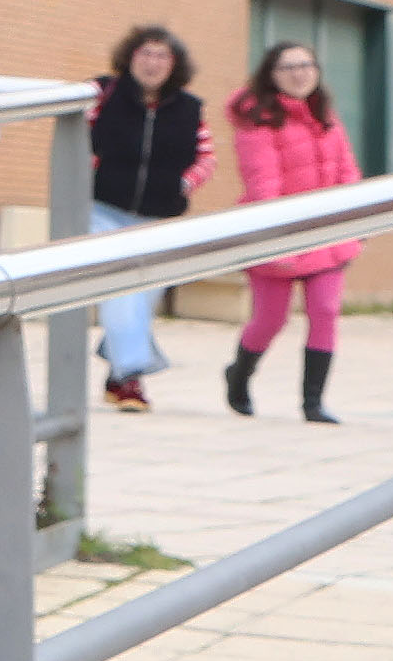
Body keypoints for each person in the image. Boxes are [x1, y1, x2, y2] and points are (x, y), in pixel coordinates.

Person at [216, 42, 361, 423]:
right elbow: (263, 181)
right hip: (276, 234)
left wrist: (358, 219)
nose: (300, 73)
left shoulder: (325, 116)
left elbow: (347, 171)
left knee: (326, 311)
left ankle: (313, 402)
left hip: (326, 235)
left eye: (307, 65)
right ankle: (239, 374)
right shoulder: (257, 120)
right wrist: (275, 237)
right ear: (271, 74)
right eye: (288, 67)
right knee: (269, 320)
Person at [81, 26, 203, 411]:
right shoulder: (104, 93)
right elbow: (75, 134)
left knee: (140, 300)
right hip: (103, 209)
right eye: (145, 54)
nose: (152, 63)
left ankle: (118, 376)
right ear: (129, 58)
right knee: (122, 288)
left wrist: (184, 183)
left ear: (174, 65)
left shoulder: (189, 108)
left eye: (161, 56)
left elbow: (207, 156)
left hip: (158, 217)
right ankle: (132, 378)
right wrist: (88, 168)